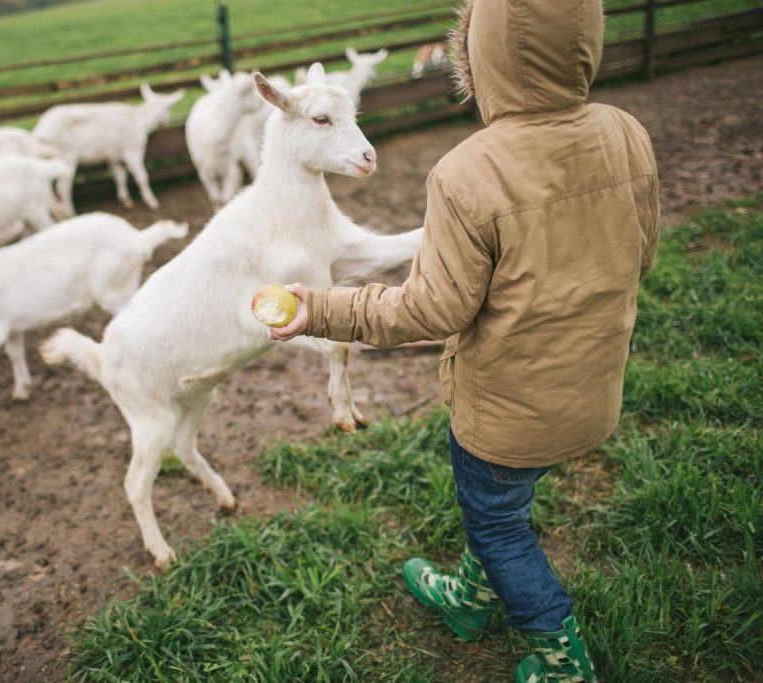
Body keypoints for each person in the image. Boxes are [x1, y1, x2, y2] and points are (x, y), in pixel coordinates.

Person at [265, 1, 660, 680]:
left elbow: (430, 308)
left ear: (480, 55)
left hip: (504, 410)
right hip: (594, 386)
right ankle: (472, 596)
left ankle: (564, 659)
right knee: (502, 505)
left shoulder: (467, 171)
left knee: (498, 526)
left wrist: (319, 309)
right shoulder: (626, 133)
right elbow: (641, 253)